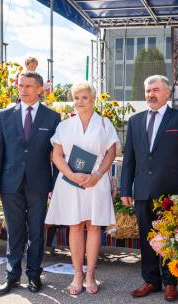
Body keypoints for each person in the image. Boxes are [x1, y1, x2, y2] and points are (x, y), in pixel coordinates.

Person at [120, 75, 178, 301]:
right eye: (147, 91)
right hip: (143, 190)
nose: (150, 95)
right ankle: (150, 280)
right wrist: (126, 189)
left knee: (170, 238)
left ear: (167, 93)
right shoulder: (135, 121)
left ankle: (170, 282)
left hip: (172, 191)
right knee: (147, 237)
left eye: (155, 90)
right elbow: (129, 160)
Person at [0, 71, 61, 296]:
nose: (23, 89)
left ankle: (34, 275)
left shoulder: (52, 117)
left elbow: (58, 155)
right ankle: (11, 277)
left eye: (28, 86)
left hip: (39, 183)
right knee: (14, 232)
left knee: (37, 232)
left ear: (40, 90)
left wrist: (56, 187)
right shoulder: (5, 115)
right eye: (21, 86)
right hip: (10, 183)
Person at [45, 81, 119, 294]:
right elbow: (56, 155)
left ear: (93, 100)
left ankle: (91, 274)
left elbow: (111, 153)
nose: (79, 101)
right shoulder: (64, 126)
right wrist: (70, 175)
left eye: (84, 97)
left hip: (97, 181)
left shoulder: (105, 124)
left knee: (94, 226)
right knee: (75, 226)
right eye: (76, 98)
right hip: (70, 182)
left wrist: (97, 175)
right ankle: (77, 274)